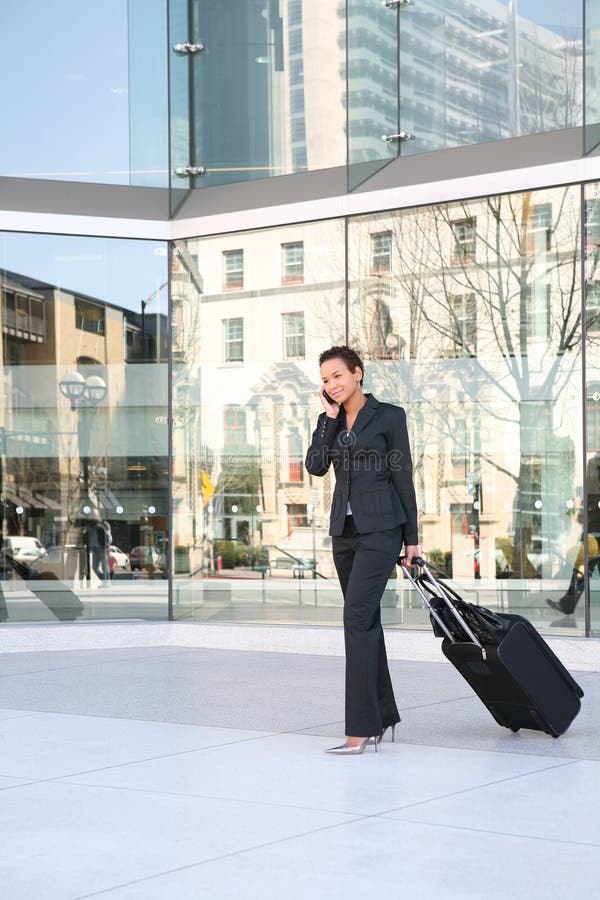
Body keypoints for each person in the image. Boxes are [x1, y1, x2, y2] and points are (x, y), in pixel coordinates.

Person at [305, 345, 420, 755]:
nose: (331, 385)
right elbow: (316, 466)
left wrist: (412, 538)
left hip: (382, 530)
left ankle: (360, 728)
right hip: (345, 532)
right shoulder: (328, 421)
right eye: (324, 380)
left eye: (337, 375)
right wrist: (330, 421)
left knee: (355, 618)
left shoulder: (389, 416)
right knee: (366, 620)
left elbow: (402, 475)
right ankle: (383, 714)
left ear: (357, 373)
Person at [546, 513, 599, 616]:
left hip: (590, 565)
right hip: (588, 564)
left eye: (582, 523)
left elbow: (585, 552)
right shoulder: (590, 536)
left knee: (578, 584)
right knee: (576, 583)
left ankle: (566, 606)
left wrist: (574, 559)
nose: (581, 525)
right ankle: (566, 605)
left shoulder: (590, 537)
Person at [83, 508, 112, 585]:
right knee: (94, 568)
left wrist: (107, 547)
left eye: (94, 514)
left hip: (102, 548)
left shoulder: (103, 524)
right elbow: (86, 536)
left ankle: (106, 582)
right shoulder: (89, 526)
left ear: (98, 515)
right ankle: (103, 580)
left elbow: (108, 537)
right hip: (93, 549)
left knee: (105, 566)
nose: (92, 516)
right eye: (91, 515)